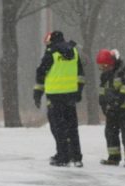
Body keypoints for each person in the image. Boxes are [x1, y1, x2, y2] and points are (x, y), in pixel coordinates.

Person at [33, 31, 85, 167]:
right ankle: (76, 156)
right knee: (72, 127)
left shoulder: (51, 52)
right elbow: (80, 74)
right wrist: (79, 91)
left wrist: (37, 93)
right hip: (70, 95)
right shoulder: (74, 51)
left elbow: (41, 73)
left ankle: (62, 156)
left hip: (55, 96)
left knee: (58, 127)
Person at [96, 49, 125, 167]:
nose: (103, 68)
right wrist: (103, 103)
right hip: (112, 109)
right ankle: (113, 157)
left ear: (111, 62)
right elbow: (103, 90)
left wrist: (117, 103)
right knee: (110, 132)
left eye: (105, 65)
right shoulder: (106, 74)